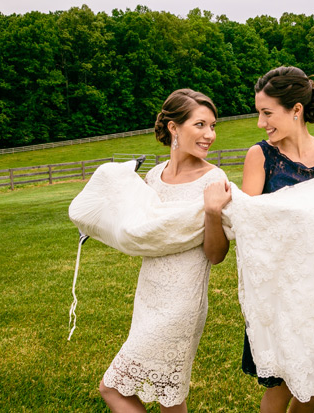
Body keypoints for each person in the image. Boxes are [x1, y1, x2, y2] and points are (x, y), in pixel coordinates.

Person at [98, 89, 232, 413]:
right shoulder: (153, 177)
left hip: (182, 303)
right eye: (200, 125)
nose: (209, 135)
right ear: (174, 128)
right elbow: (144, 233)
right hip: (148, 295)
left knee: (113, 388)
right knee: (167, 398)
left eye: (212, 126)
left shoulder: (214, 180)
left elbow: (215, 255)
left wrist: (213, 213)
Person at [241, 67, 314, 413]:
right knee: (283, 384)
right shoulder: (260, 156)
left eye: (267, 113)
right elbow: (249, 222)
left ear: (295, 109)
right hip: (282, 290)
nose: (261, 123)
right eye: (258, 114)